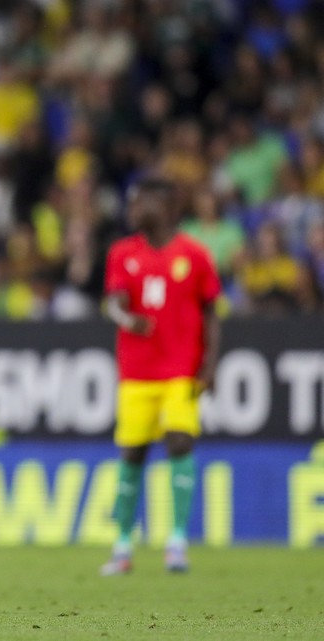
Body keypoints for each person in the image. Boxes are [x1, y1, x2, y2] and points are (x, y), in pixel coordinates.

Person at [101, 177, 221, 575]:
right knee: (132, 453)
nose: (133, 209)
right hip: (136, 371)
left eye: (140, 202)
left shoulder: (195, 254)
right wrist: (126, 318)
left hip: (180, 369)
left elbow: (210, 311)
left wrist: (212, 361)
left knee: (180, 442)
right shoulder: (123, 252)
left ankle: (177, 541)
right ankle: (122, 545)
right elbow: (114, 303)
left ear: (165, 205)